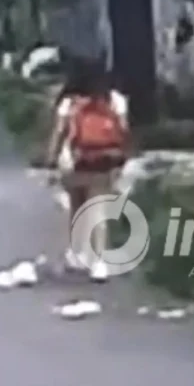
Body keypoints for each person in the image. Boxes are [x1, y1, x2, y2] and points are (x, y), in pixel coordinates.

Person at [45, 56, 130, 282]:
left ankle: (77, 253)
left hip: (74, 161)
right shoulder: (115, 100)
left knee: (77, 205)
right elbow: (122, 132)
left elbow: (59, 133)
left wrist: (50, 161)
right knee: (98, 208)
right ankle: (100, 262)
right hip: (104, 160)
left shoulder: (70, 103)